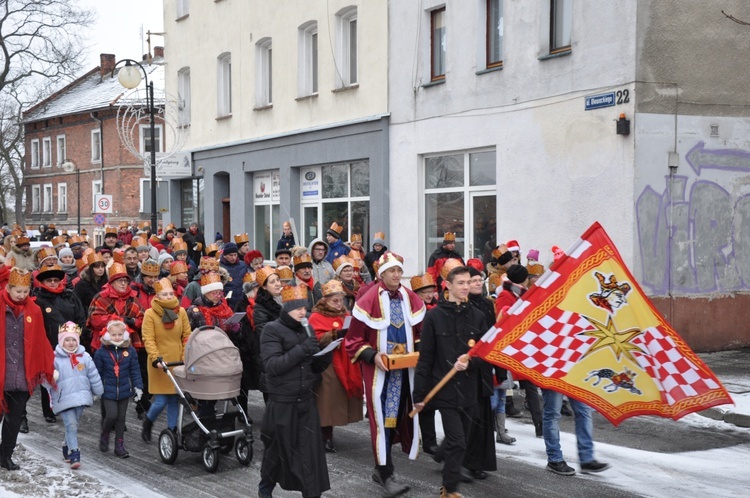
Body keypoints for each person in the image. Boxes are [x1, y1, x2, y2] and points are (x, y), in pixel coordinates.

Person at [344, 251, 426, 497]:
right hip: (380, 373)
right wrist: (373, 356)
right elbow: (353, 341)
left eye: (400, 271)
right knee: (382, 420)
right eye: (392, 271)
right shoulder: (367, 300)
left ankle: (382, 467)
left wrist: (421, 351)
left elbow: (421, 332)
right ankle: (384, 471)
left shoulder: (410, 298)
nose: (397, 275)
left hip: (406, 372)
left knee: (399, 417)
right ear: (381, 274)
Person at [412, 264, 488, 497]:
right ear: (448, 285)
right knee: (458, 442)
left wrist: (471, 363)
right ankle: (450, 489)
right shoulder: (434, 316)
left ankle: (446, 475)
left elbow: (485, 354)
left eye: (469, 283)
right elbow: (425, 358)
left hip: (468, 390)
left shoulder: (478, 316)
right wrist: (419, 395)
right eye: (461, 283)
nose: (466, 287)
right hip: (443, 389)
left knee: (460, 440)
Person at [258, 284, 332, 498]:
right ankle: (265, 490)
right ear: (286, 307)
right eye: (298, 308)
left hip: (306, 401)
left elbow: (313, 366)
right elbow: (272, 365)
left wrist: (326, 353)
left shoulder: (306, 327)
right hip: (282, 402)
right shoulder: (272, 329)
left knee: (309, 454)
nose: (303, 312)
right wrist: (302, 350)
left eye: (305, 307)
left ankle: (311, 494)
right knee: (277, 451)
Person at [0, 268, 56, 470]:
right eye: (18, 292)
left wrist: (49, 364)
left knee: (14, 420)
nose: (22, 295)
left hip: (22, 375)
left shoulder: (34, 310)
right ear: (8, 288)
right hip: (1, 373)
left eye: (25, 291)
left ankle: (5, 455)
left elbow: (41, 340)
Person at [309, 280, 363, 453]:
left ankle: (328, 433)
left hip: (345, 359)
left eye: (341, 300)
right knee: (327, 400)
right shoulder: (316, 316)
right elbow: (314, 338)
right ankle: (325, 436)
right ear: (325, 300)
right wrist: (333, 335)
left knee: (337, 399)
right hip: (327, 362)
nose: (339, 304)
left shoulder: (345, 314)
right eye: (335, 301)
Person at [33, 264, 87, 425]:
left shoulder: (70, 296)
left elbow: (80, 317)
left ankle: (67, 406)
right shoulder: (38, 300)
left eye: (55, 280)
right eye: (49, 280)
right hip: (49, 344)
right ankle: (48, 409)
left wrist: (76, 335)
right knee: (49, 378)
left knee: (70, 378)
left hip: (71, 344)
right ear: (43, 282)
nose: (52, 283)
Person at [140, 278, 192, 442]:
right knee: (161, 400)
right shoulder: (150, 314)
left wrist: (185, 356)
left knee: (174, 399)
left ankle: (172, 431)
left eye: (171, 293)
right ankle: (148, 422)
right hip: (160, 362)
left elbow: (187, 335)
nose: (169, 296)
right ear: (157, 296)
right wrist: (155, 358)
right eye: (165, 294)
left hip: (177, 361)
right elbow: (148, 338)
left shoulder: (181, 312)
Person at [50, 321, 104, 469]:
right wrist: (51, 378)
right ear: (61, 341)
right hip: (63, 398)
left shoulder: (84, 357)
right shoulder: (54, 358)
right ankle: (75, 454)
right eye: (67, 340)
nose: (71, 343)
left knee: (73, 425)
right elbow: (44, 379)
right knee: (71, 425)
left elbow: (93, 375)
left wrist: (98, 391)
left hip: (81, 397)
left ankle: (66, 445)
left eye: (73, 339)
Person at [94, 319, 144, 458]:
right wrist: (95, 389)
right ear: (108, 335)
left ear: (125, 335)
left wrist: (138, 387)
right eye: (114, 335)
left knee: (121, 418)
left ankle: (119, 446)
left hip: (124, 390)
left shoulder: (130, 351)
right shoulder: (101, 352)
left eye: (120, 334)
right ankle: (105, 433)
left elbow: (135, 370)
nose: (117, 337)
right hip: (107, 390)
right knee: (111, 415)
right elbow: (96, 373)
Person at [542, 388, 610, 476]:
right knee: (553, 413)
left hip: (574, 376)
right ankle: (554, 460)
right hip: (553, 376)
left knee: (584, 411)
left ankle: (587, 459)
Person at [410, 273, 439, 455]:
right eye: (424, 293)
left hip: (435, 359)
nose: (428, 295)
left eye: (430, 292)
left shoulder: (437, 308)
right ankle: (425, 439)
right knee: (422, 399)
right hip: (417, 359)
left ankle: (430, 440)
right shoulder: (412, 311)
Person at [252, 266, 282, 402]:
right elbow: (265, 333)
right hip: (272, 356)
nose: (277, 284)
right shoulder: (260, 308)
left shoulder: (285, 299)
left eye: (278, 280)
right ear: (264, 287)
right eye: (272, 282)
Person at [220, 242, 247, 309]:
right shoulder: (219, 267)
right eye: (231, 255)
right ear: (225, 255)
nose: (234, 257)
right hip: (227, 301)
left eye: (235, 255)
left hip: (241, 301)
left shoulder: (243, 265)